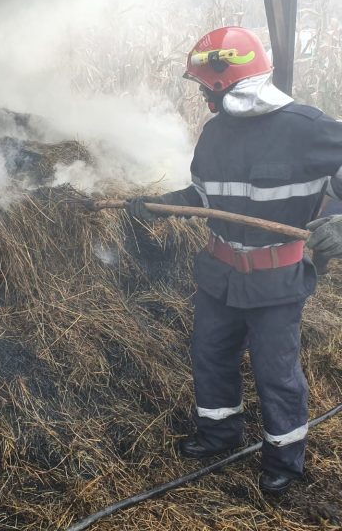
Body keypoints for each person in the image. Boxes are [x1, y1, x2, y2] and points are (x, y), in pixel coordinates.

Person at [128, 26, 342, 495]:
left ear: (228, 82)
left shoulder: (307, 129)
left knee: (276, 371)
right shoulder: (215, 135)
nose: (204, 97)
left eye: (206, 87)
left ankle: (284, 458)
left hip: (276, 281)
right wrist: (161, 203)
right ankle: (219, 433)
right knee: (210, 356)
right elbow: (205, 197)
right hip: (219, 276)